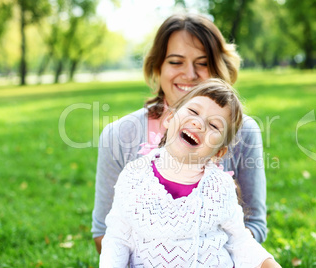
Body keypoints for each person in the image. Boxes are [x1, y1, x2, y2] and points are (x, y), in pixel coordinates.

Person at [92, 13, 268, 254]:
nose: (190, 74)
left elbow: (255, 225)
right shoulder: (119, 135)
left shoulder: (244, 132)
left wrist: (205, 253)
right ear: (158, 66)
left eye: (203, 63)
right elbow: (103, 233)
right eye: (175, 62)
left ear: (219, 68)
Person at [99, 79, 281, 268]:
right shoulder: (134, 177)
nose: (199, 123)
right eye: (193, 112)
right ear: (169, 118)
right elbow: (118, 239)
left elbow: (239, 241)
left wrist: (267, 264)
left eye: (214, 126)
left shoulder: (220, 186)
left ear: (219, 152)